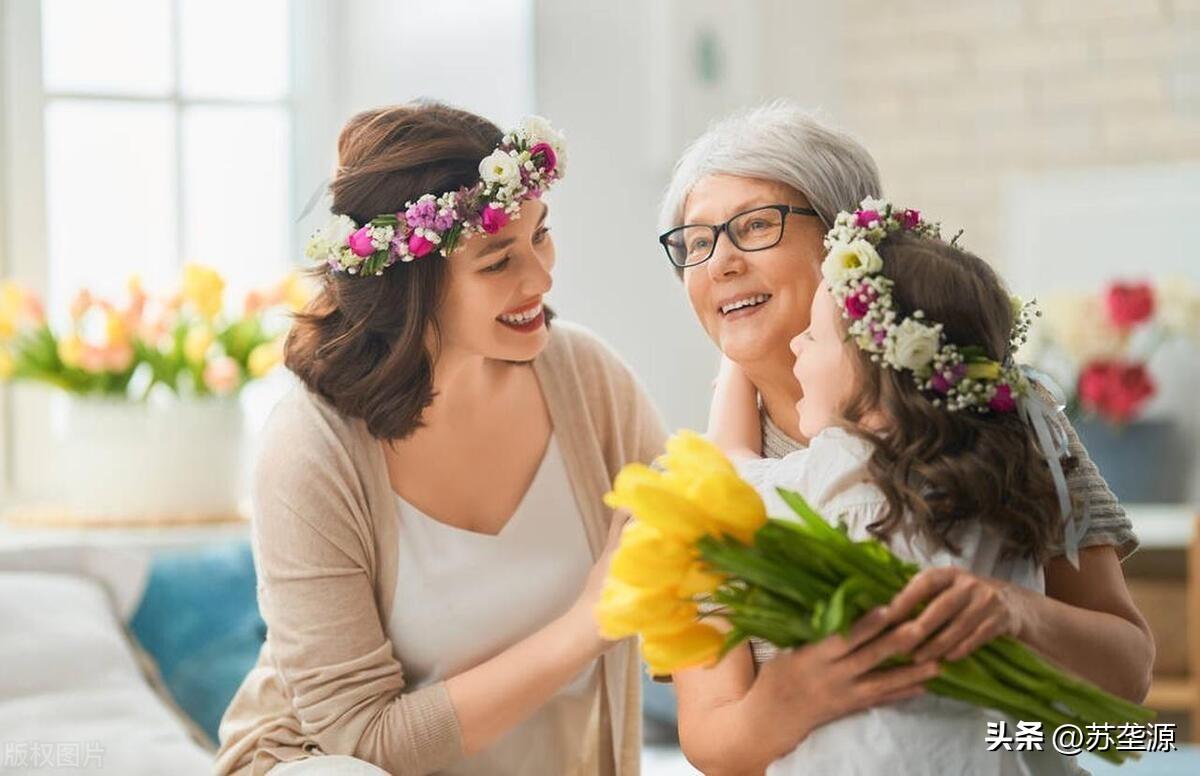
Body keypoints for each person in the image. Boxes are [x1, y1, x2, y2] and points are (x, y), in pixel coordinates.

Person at [657, 102, 1154, 775]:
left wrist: (1015, 613)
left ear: (845, 245)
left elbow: (1124, 681)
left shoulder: (1007, 417)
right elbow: (713, 739)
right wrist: (795, 695)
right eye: (694, 241)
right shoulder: (696, 489)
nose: (718, 264)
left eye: (754, 226)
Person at [215, 103, 664, 776]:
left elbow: (691, 542)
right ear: (410, 287)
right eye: (497, 262)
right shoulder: (313, 450)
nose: (540, 279)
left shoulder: (585, 379)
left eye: (541, 236)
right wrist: (588, 625)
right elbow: (361, 739)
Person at [706, 200, 1099, 773]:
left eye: (812, 338)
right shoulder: (1017, 458)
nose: (794, 347)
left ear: (877, 381)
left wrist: (735, 353)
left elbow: (728, 467)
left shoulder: (839, 473)